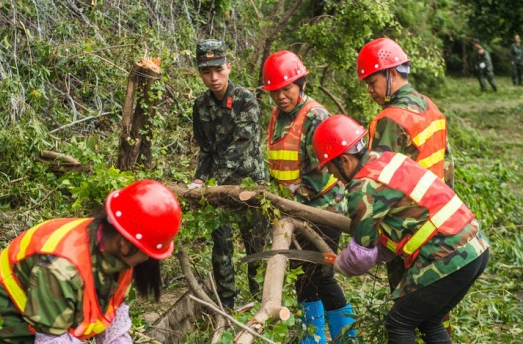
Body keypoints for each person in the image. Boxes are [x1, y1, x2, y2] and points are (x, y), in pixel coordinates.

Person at [313, 115, 490, 344]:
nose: (333, 177)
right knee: (430, 321)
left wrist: (339, 264)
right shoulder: (390, 159)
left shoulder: (363, 186)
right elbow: (401, 224)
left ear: (345, 161)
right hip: (476, 247)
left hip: (448, 255)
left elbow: (360, 256)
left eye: (330, 169)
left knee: (398, 324)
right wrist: (378, 251)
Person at [0, 180, 182, 344]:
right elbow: (52, 340)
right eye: (147, 253)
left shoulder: (117, 252)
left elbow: (113, 311)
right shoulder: (61, 268)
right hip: (4, 317)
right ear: (124, 243)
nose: (147, 260)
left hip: (44, 313)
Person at [357, 37, 456, 334]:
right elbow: (448, 165)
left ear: (392, 74)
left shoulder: (390, 119)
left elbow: (379, 186)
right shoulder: (429, 106)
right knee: (437, 310)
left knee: (407, 316)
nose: (370, 90)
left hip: (410, 230)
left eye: (372, 81)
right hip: (443, 221)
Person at [262, 50, 355, 344]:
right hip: (292, 211)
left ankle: (346, 336)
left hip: (322, 211)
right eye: (275, 91)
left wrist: (292, 196)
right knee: (303, 276)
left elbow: (322, 168)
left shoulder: (315, 115)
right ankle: (311, 339)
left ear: (300, 84)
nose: (280, 96)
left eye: (286, 89)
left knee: (322, 275)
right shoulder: (277, 116)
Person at [189, 38, 268, 310]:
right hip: (216, 187)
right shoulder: (200, 105)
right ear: (199, 72)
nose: (213, 78)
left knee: (256, 247)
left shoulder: (246, 100)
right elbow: (206, 149)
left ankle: (261, 304)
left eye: (218, 70)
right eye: (206, 72)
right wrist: (199, 178)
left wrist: (212, 182)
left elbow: (241, 145)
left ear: (228, 67)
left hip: (249, 184)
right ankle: (227, 304)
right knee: (221, 246)